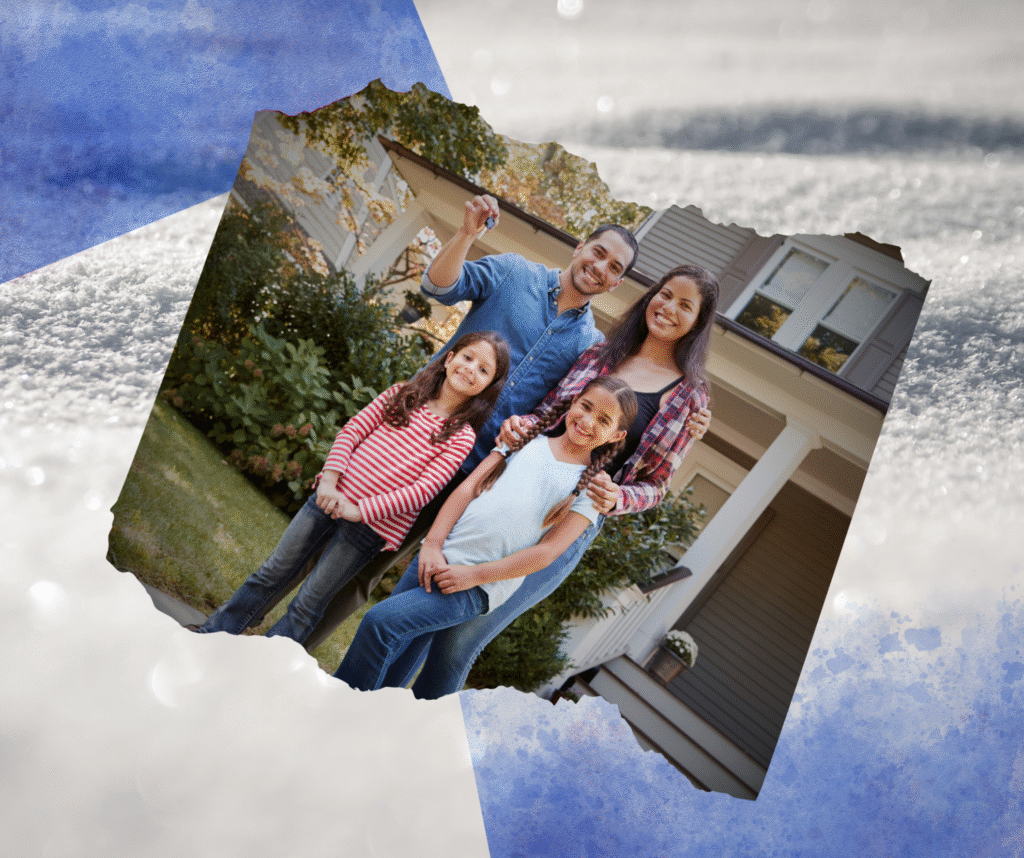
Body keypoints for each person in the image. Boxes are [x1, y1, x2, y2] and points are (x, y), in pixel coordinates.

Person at [295, 194, 671, 650]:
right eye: (598, 252)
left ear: (616, 283)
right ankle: (249, 621)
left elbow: (589, 406)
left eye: (614, 268)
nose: (600, 267)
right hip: (417, 443)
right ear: (580, 246)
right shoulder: (514, 272)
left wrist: (686, 403)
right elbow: (439, 287)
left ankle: (293, 649)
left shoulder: (588, 345)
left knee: (367, 570)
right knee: (319, 534)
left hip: (472, 474)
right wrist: (466, 233)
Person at [392, 263, 720, 698]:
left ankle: (422, 731)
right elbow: (548, 414)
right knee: (425, 601)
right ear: (651, 295)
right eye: (666, 294)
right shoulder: (601, 354)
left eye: (685, 305)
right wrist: (520, 426)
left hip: (563, 519)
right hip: (511, 490)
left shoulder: (689, 398)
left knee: (457, 644)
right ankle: (377, 705)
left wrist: (618, 497)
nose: (669, 308)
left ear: (698, 321)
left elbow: (657, 484)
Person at [190, 331, 510, 642]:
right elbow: (352, 432)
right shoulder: (403, 393)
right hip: (328, 499)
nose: (471, 369)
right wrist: (329, 482)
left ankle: (257, 666)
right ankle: (212, 635)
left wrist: (360, 511)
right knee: (271, 573)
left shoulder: (461, 436)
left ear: (488, 387)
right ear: (449, 358)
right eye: (468, 357)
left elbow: (422, 491)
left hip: (369, 526)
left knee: (307, 604)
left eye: (483, 370)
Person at [332, 377, 638, 691]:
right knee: (405, 649)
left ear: (617, 435)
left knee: (381, 622)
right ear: (573, 402)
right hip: (438, 556)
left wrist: (473, 576)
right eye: (586, 406)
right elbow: (468, 489)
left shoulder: (592, 490)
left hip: (475, 586)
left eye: (603, 420)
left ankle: (339, 703)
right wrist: (433, 544)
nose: (588, 421)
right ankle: (375, 713)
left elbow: (546, 554)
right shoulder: (523, 439)